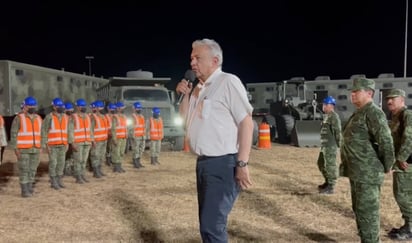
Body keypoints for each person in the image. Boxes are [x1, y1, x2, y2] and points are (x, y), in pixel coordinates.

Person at [176, 38, 253, 242]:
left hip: (223, 164)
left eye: (197, 58)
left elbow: (246, 122)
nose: (192, 63)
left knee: (212, 226)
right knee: (206, 224)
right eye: (191, 58)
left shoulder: (227, 82)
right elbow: (185, 121)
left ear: (215, 60)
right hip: (204, 164)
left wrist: (242, 162)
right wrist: (184, 95)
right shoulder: (198, 89)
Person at [340, 77, 395, 243]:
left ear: (369, 93)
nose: (353, 94)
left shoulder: (373, 113)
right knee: (359, 211)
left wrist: (388, 165)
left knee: (368, 214)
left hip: (368, 174)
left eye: (357, 91)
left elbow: (386, 141)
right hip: (357, 173)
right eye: (352, 91)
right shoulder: (359, 113)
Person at [385, 88, 412, 240]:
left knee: (403, 195)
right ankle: (408, 224)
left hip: (407, 163)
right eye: (388, 99)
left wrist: (402, 157)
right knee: (402, 194)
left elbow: (410, 137)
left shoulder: (407, 115)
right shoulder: (395, 117)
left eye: (393, 99)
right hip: (402, 163)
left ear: (402, 100)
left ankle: (410, 228)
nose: (389, 101)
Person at [9, 96, 43, 197]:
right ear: (25, 106)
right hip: (23, 149)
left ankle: (30, 188)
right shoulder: (19, 118)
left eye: (34, 105)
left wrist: (41, 147)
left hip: (36, 148)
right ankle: (24, 190)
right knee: (24, 169)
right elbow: (13, 134)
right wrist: (15, 148)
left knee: (33, 169)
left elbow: (41, 133)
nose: (32, 107)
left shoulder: (39, 118)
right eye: (30, 106)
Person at [41, 97, 69, 190]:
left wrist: (67, 142)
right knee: (53, 163)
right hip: (52, 145)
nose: (60, 107)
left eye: (61, 106)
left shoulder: (65, 117)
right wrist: (45, 144)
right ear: (54, 107)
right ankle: (53, 181)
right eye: (58, 106)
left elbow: (67, 130)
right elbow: (44, 131)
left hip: (62, 144)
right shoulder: (49, 117)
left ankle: (59, 180)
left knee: (61, 163)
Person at [317, 95, 341, 194]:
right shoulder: (326, 116)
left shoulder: (334, 117)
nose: (323, 106)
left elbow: (337, 131)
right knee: (321, 163)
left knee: (330, 165)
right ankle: (327, 181)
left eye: (325, 104)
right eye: (323, 104)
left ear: (330, 105)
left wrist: (340, 145)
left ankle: (331, 186)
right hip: (325, 146)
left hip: (331, 146)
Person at [68, 98, 94, 183]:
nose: (83, 107)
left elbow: (90, 129)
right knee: (78, 160)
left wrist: (92, 140)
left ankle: (82, 175)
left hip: (87, 142)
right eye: (81, 106)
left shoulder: (87, 116)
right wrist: (72, 143)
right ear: (78, 107)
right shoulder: (73, 117)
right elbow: (70, 130)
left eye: (84, 106)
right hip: (78, 143)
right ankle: (78, 176)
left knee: (84, 160)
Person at [89, 100, 109, 178]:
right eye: (100, 107)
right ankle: (95, 171)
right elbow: (91, 130)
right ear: (96, 108)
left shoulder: (104, 117)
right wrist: (92, 140)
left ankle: (99, 170)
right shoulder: (93, 117)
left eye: (102, 107)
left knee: (101, 156)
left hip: (104, 140)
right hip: (96, 141)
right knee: (95, 156)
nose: (102, 108)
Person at [110, 101, 127, 173]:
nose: (124, 109)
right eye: (122, 108)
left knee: (121, 152)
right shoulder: (115, 117)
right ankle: (116, 167)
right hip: (117, 138)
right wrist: (114, 139)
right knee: (116, 152)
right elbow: (113, 129)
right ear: (119, 108)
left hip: (123, 138)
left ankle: (120, 166)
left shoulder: (124, 117)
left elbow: (125, 127)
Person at [130, 101, 145, 168]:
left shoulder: (142, 116)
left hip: (142, 136)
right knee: (135, 149)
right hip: (135, 136)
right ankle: (135, 162)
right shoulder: (132, 116)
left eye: (140, 108)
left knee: (141, 149)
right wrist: (132, 135)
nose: (139, 109)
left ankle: (138, 161)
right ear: (134, 109)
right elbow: (130, 127)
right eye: (137, 108)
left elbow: (143, 126)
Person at [64, 101, 75, 176]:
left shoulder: (72, 118)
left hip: (72, 140)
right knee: (64, 156)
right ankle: (64, 170)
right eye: (69, 109)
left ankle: (68, 169)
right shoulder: (64, 118)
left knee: (71, 156)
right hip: (65, 141)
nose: (70, 111)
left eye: (71, 109)